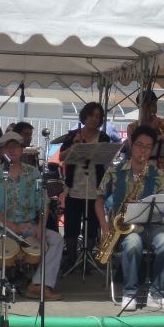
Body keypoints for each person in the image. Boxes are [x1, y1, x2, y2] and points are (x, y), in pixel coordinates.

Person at [0, 131, 65, 301]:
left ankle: (39, 285)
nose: (12, 150)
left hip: (28, 226)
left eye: (16, 146)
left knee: (56, 239)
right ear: (1, 151)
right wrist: (12, 227)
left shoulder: (33, 173)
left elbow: (44, 202)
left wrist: (41, 225)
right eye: (7, 147)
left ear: (22, 149)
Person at [96, 124, 164, 311]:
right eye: (139, 145)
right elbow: (99, 201)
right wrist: (104, 225)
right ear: (131, 144)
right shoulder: (115, 171)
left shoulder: (158, 175)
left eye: (148, 147)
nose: (143, 150)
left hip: (151, 228)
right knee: (133, 242)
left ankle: (157, 292)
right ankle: (129, 293)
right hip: (123, 229)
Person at [58, 102, 111, 268]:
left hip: (94, 188)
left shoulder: (104, 138)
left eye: (98, 117)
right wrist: (75, 145)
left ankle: (87, 260)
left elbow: (106, 159)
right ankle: (71, 259)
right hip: (74, 187)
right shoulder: (73, 135)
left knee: (92, 226)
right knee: (71, 226)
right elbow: (61, 157)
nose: (94, 119)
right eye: (91, 115)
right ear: (84, 116)